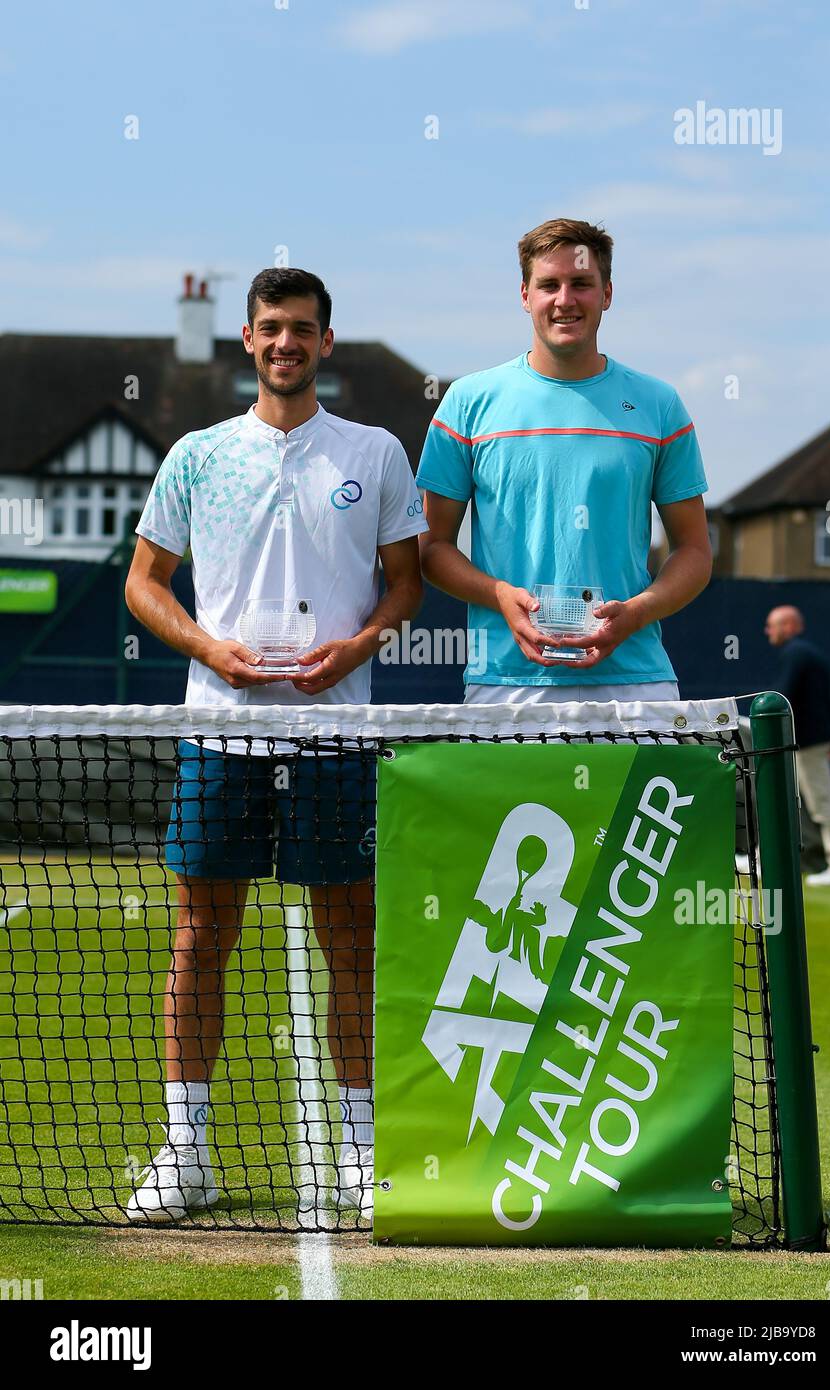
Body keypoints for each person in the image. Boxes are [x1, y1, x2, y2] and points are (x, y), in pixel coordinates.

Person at [124, 267, 426, 1221]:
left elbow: (407, 585)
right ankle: (186, 1154)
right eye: (270, 329)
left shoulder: (376, 453)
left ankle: (359, 1151)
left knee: (353, 949)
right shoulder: (197, 454)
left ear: (325, 344)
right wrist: (210, 646)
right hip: (222, 734)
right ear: (247, 343)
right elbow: (145, 583)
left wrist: (361, 644)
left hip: (338, 738)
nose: (285, 343)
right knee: (202, 938)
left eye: (302, 329)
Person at [416, 217, 712, 706]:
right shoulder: (467, 402)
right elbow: (431, 548)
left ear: (608, 293)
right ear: (525, 295)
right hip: (506, 684)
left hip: (636, 684)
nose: (565, 299)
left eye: (582, 284)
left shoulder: (659, 404)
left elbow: (695, 552)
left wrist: (637, 613)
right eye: (549, 284)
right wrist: (499, 596)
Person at [765, 605, 830, 886]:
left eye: (772, 625)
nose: (767, 631)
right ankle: (763, 856)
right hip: (808, 743)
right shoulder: (806, 654)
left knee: (822, 805)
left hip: (807, 744)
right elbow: (827, 700)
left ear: (789, 626)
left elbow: (781, 696)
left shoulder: (797, 654)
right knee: (783, 800)